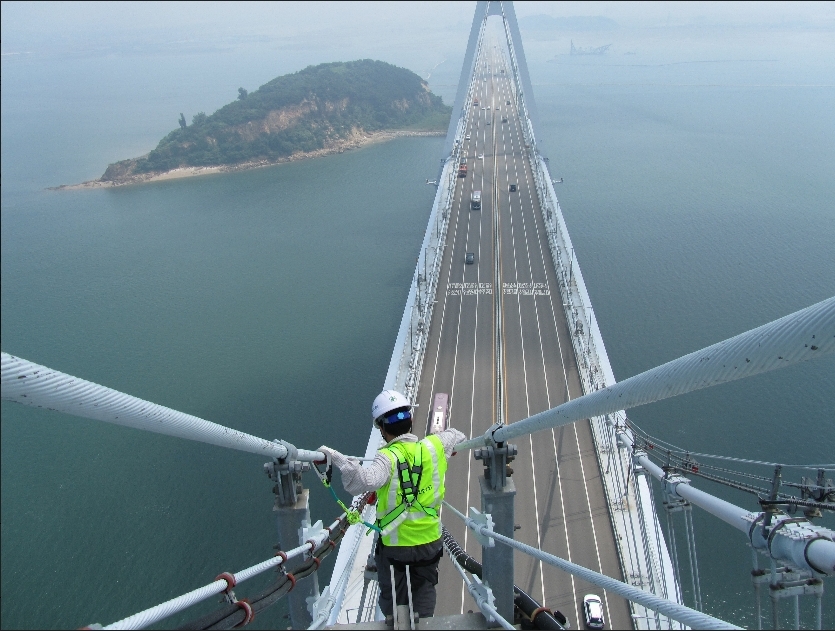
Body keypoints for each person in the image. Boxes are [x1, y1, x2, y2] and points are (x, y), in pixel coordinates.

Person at [319, 389, 465, 623]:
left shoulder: (386, 458)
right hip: (430, 542)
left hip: (395, 546)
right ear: (411, 420)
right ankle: (425, 622)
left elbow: (362, 482)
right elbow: (457, 435)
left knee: (391, 591)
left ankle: (393, 619)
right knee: (425, 586)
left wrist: (335, 456)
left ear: (381, 428)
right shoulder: (434, 446)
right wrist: (449, 449)